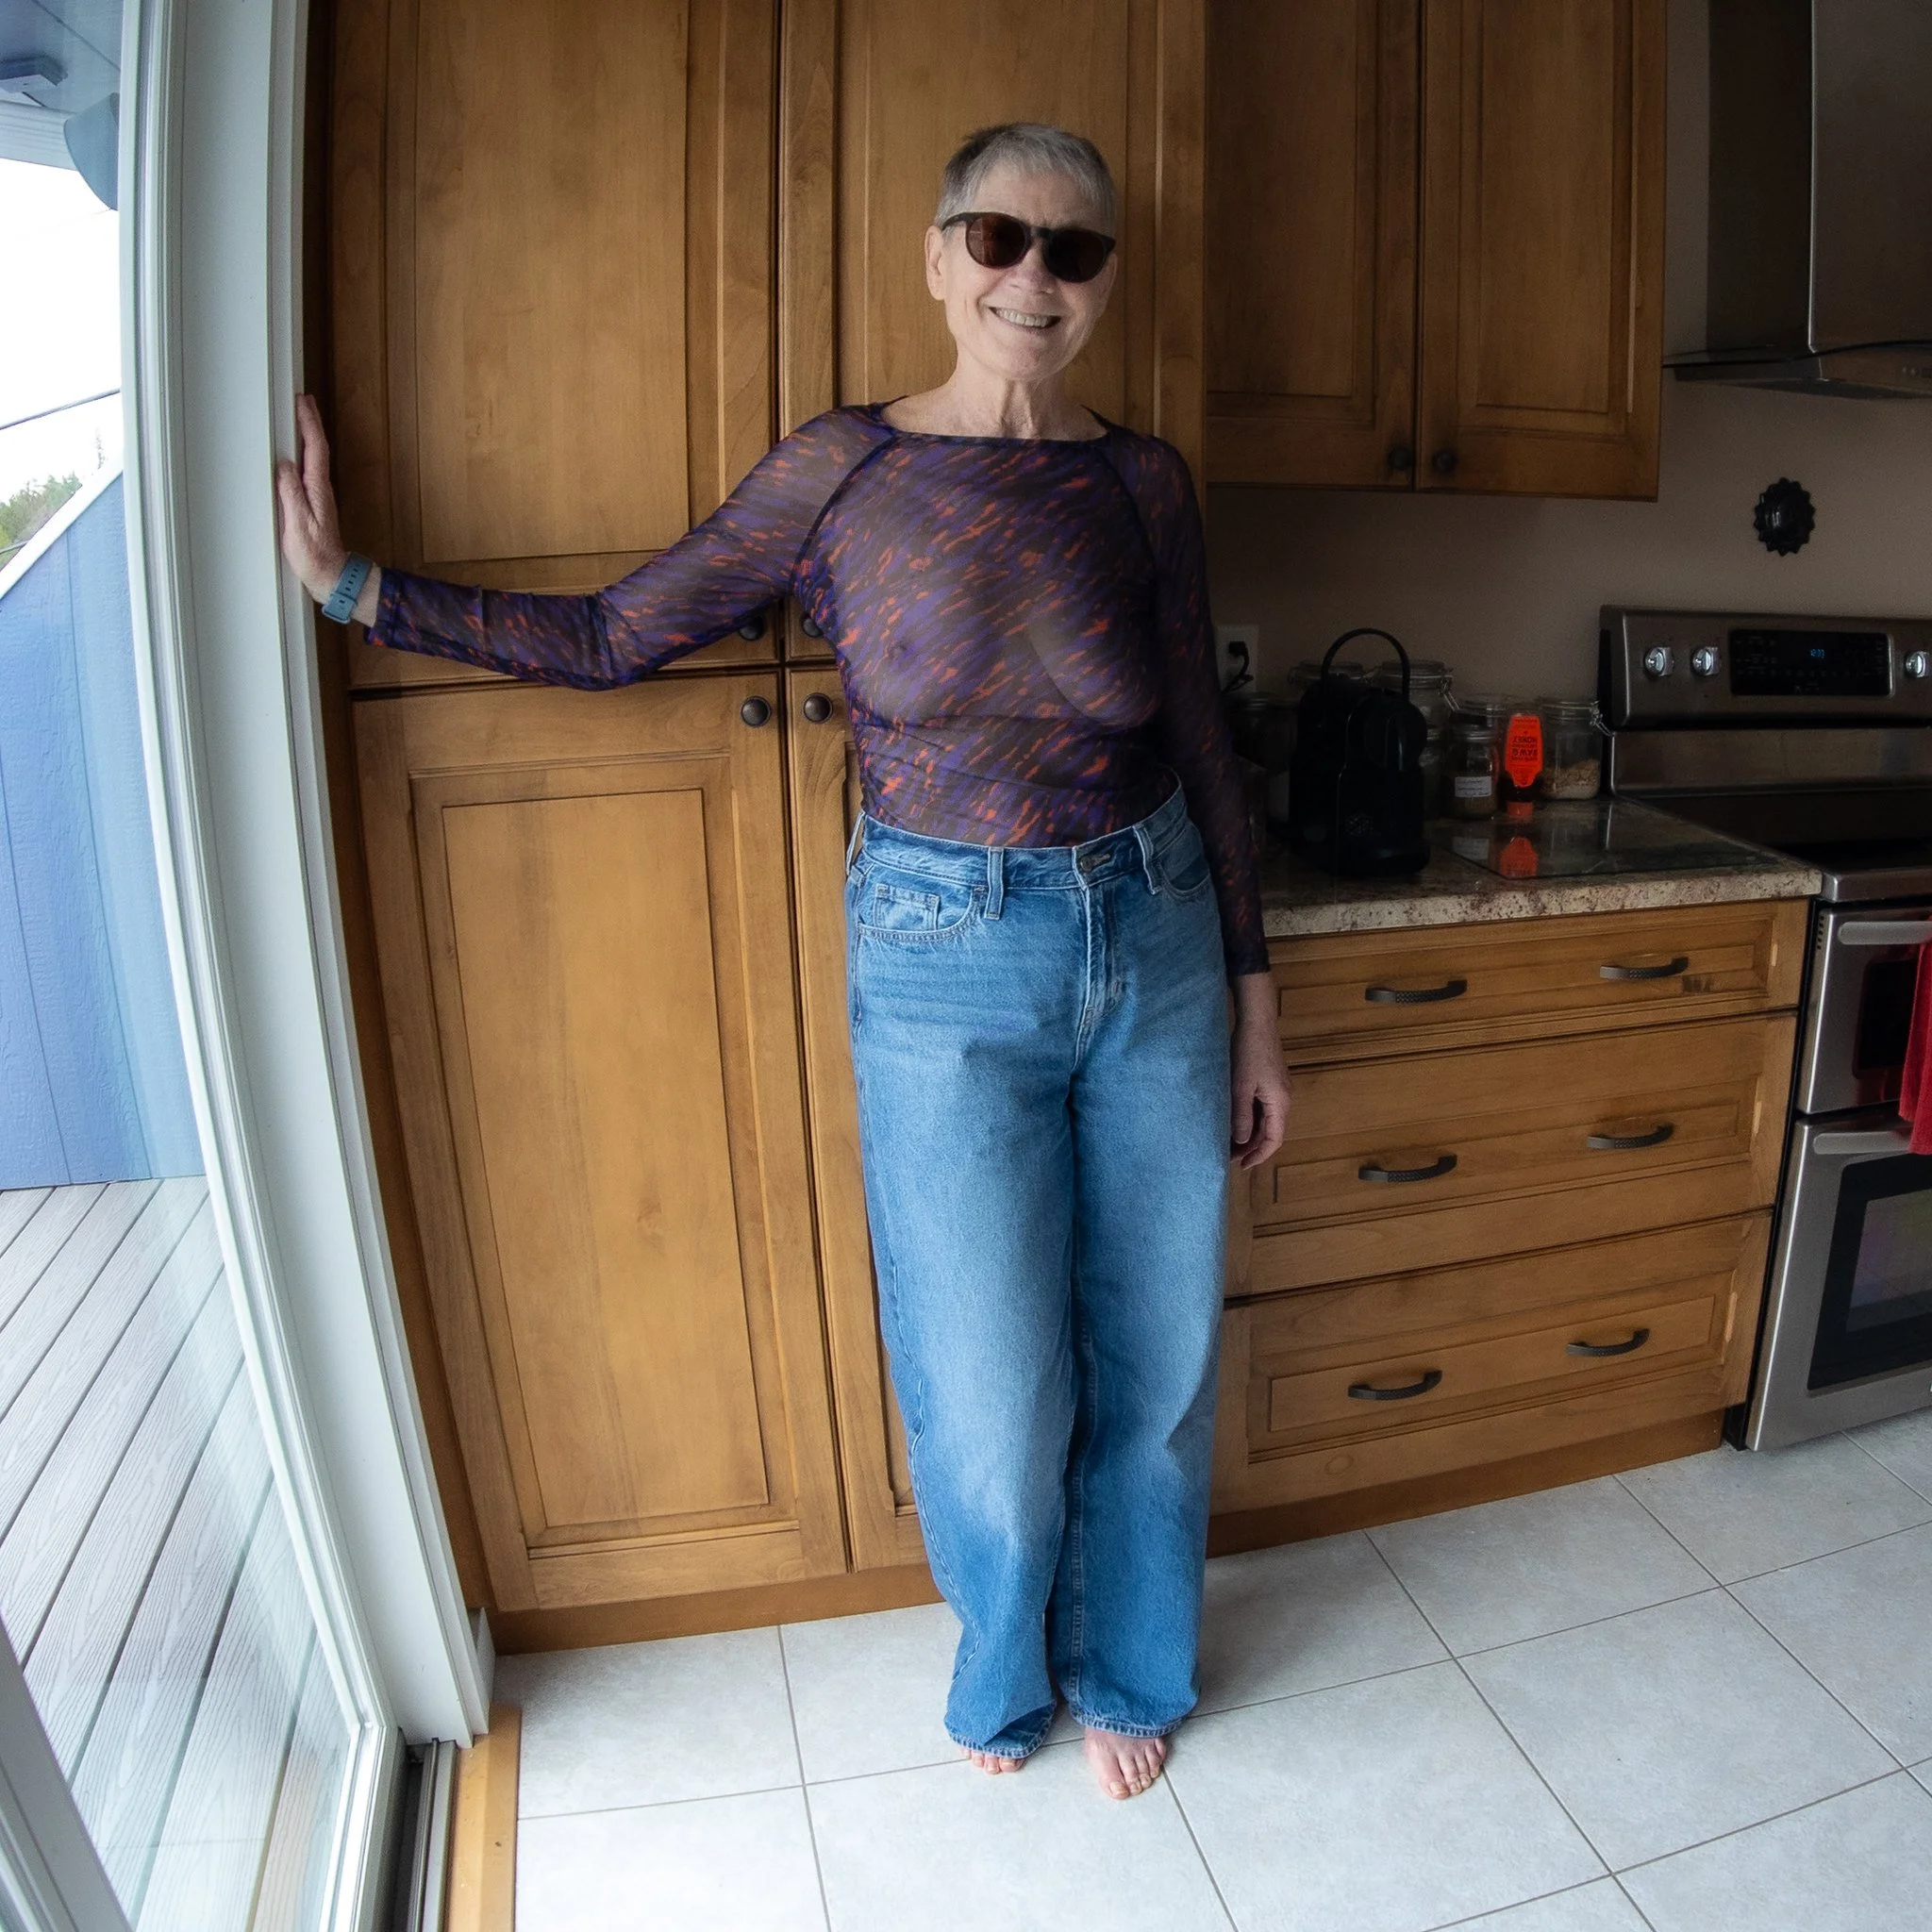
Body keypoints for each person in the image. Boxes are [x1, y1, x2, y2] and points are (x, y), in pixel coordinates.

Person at [279, 122, 1291, 1801]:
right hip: (942, 958)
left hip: (1160, 934)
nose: (1034, 276)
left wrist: (1258, 1002)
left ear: (1105, 281)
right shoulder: (845, 471)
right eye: (1000, 237)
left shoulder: (1144, 484)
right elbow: (621, 632)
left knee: (1161, 1356)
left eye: (1075, 249)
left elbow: (1201, 733)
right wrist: (356, 590)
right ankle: (1004, 1668)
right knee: (988, 1378)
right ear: (939, 258)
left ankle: (1130, 1666)